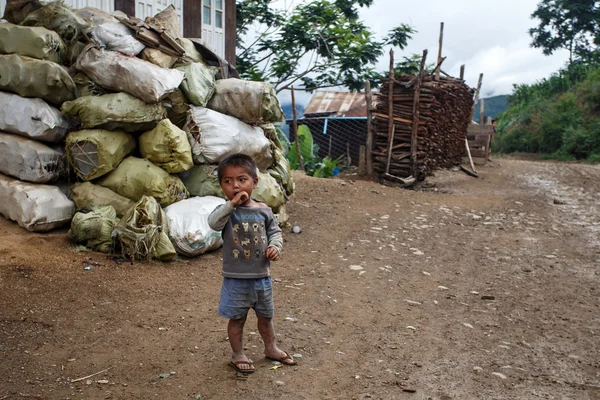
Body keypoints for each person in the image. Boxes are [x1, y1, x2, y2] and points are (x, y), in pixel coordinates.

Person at [208, 153, 297, 374]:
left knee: (266, 318)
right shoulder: (226, 212)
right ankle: (238, 354)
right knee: (237, 319)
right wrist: (231, 205)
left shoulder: (263, 210)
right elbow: (212, 223)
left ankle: (271, 348)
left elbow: (275, 232)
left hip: (261, 278)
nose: (235, 186)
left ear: (254, 182)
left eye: (242, 179)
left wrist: (275, 247)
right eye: (228, 182)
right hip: (236, 279)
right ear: (221, 186)